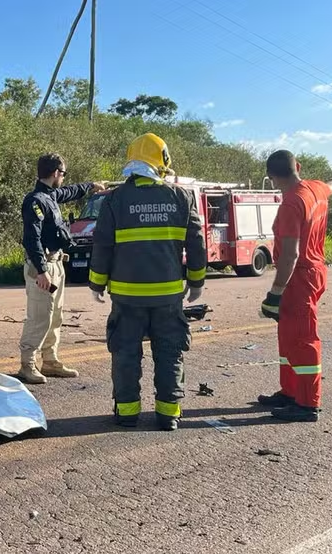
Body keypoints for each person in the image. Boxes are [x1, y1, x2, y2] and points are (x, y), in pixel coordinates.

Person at [87, 133, 207, 431]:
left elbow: (102, 245)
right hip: (168, 297)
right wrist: (196, 282)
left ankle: (127, 413)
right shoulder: (181, 197)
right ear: (162, 163)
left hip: (127, 299)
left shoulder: (115, 200)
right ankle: (169, 414)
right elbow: (196, 244)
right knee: (169, 352)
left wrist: (96, 284)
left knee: (126, 354)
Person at [257, 150, 332, 422]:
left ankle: (308, 403)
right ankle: (290, 392)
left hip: (300, 276)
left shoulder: (291, 204)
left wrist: (274, 293)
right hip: (312, 272)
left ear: (272, 178)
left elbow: (290, 255)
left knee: (304, 338)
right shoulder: (316, 188)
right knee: (288, 336)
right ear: (297, 167)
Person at [18, 153, 106, 384]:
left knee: (55, 316)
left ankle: (50, 360)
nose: (64, 179)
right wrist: (41, 270)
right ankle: (27, 364)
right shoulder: (35, 200)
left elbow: (70, 192)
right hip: (43, 265)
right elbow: (31, 239)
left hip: (56, 262)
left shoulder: (50, 196)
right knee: (39, 317)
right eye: (63, 174)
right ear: (56, 173)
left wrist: (91, 186)